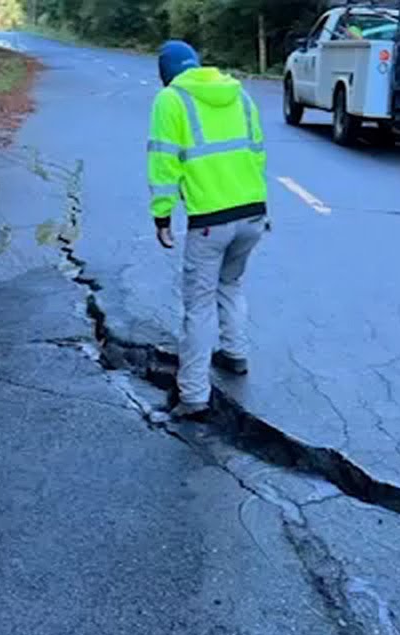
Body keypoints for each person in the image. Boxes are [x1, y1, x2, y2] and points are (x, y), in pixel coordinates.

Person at [147, 40, 269, 421]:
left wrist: (162, 218)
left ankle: (194, 396)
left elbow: (164, 164)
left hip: (209, 222)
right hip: (252, 213)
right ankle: (235, 353)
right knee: (230, 284)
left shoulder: (171, 100)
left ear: (166, 73)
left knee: (198, 306)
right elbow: (257, 154)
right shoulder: (240, 94)